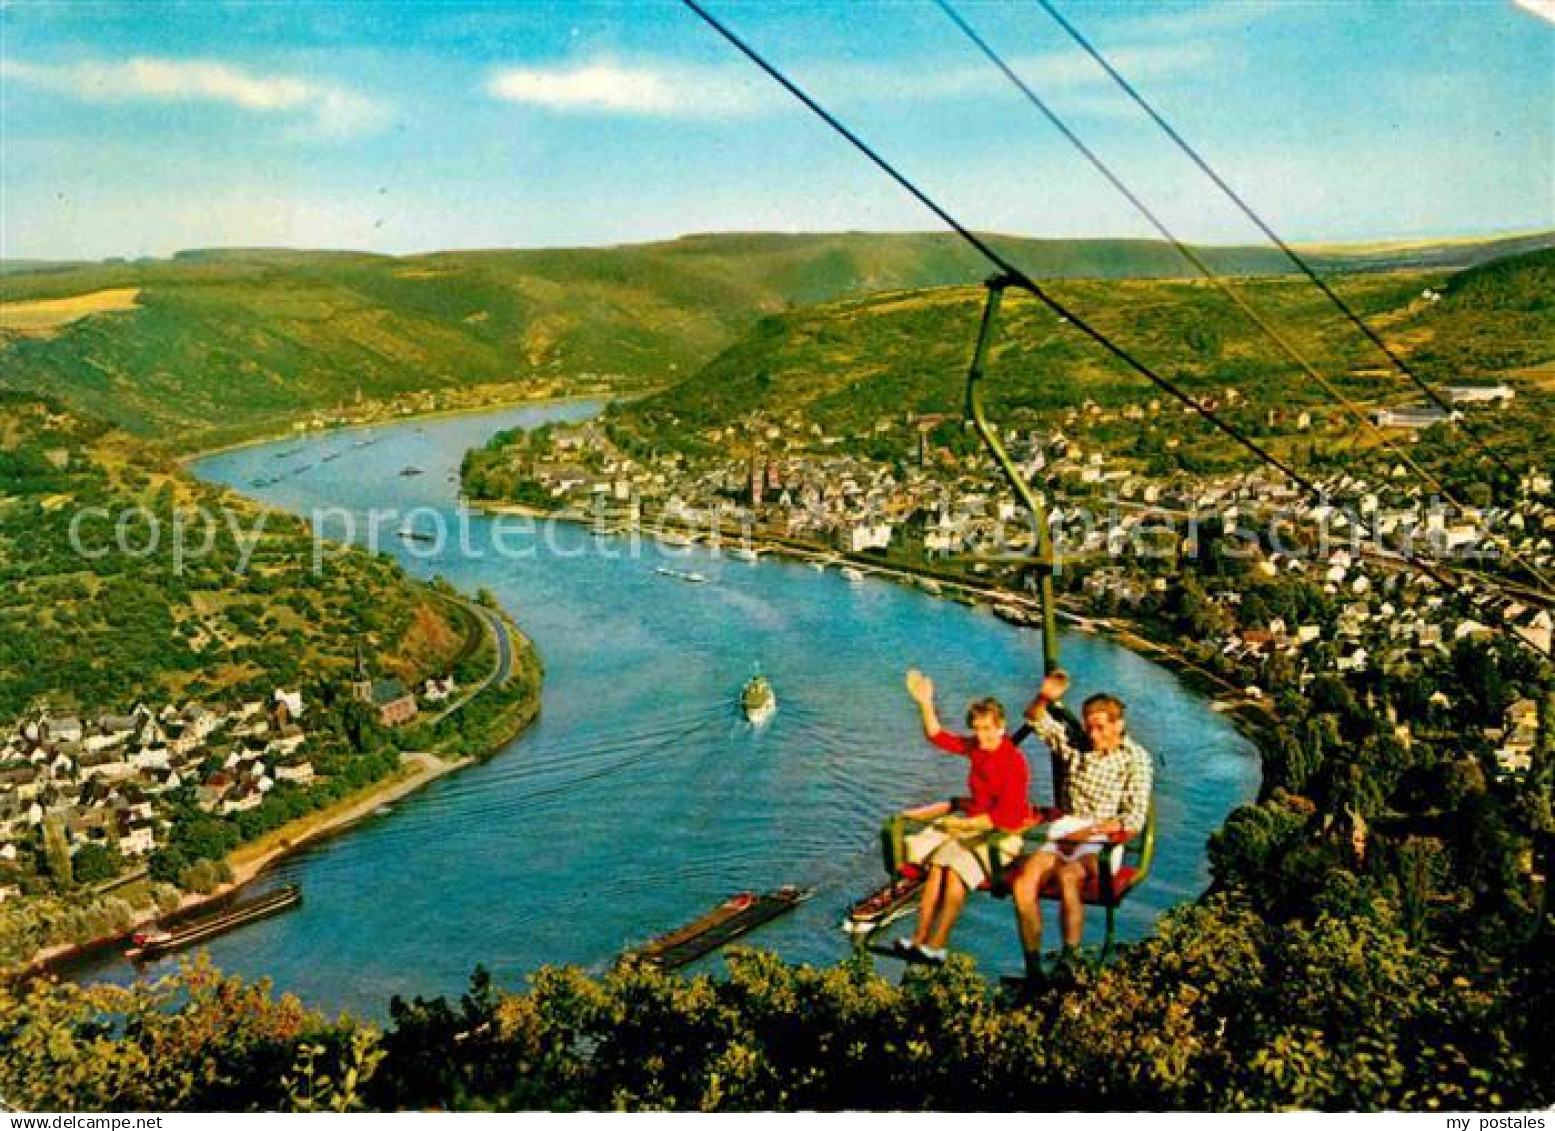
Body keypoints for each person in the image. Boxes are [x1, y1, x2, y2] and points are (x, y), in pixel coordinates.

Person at [1009, 669, 1153, 981]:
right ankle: (1032, 964)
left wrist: (1089, 832)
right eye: (1089, 728)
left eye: (1101, 728)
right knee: (1023, 883)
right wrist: (1045, 697)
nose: (1093, 735)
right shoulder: (1075, 745)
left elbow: (1133, 817)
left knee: (1068, 875)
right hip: (1065, 831)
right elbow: (1035, 719)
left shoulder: (1135, 759)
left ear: (1118, 725)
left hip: (1101, 838)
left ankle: (1069, 956)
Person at [897, 668, 1032, 964]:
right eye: (977, 729)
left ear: (1001, 727)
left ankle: (938, 944)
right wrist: (925, 702)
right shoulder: (979, 750)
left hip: (1002, 834)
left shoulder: (1013, 763)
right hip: (973, 829)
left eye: (987, 729)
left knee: (956, 871)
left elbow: (1006, 817)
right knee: (936, 867)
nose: (980, 736)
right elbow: (937, 736)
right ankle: (919, 939)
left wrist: (962, 823)